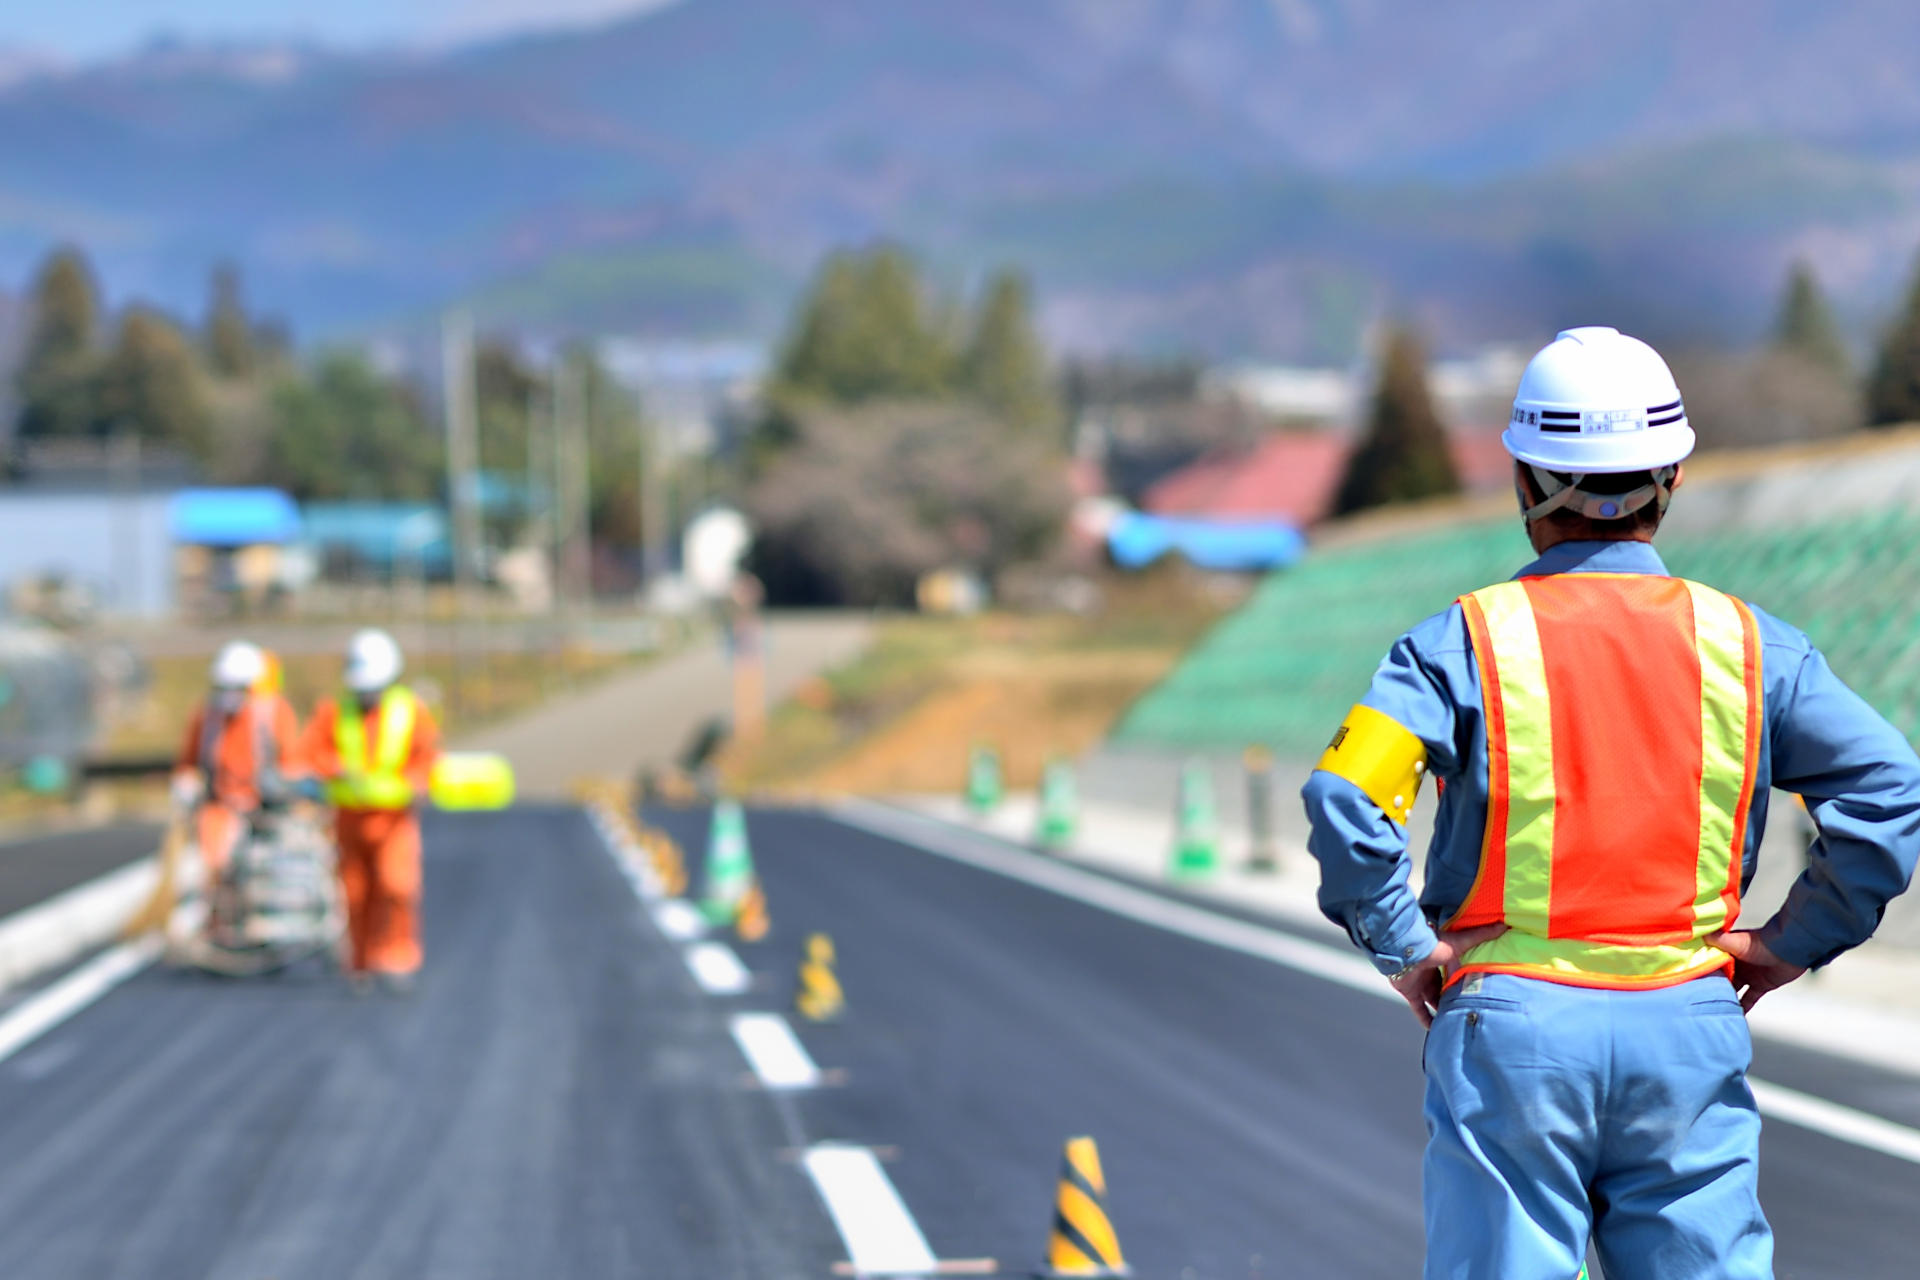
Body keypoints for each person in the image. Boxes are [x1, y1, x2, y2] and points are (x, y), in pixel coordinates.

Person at [1302, 326, 1920, 1279]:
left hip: (1511, 1028)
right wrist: (1792, 941)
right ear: (1669, 478)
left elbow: (1348, 795)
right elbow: (1889, 786)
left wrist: (1407, 946)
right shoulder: (1752, 647)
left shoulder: (1458, 644)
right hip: (1686, 1016)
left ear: (1524, 482)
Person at [301, 628, 440, 992]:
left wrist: (418, 782)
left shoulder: (409, 712)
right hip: (348, 819)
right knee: (355, 892)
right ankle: (360, 963)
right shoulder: (336, 711)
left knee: (396, 886)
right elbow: (309, 753)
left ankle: (396, 959)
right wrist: (333, 766)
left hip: (393, 820)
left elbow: (427, 757)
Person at [172, 640, 303, 884]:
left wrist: (285, 788)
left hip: (266, 813)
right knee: (211, 873)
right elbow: (188, 762)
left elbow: (292, 764)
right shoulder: (207, 716)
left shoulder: (272, 713)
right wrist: (186, 784)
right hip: (220, 810)